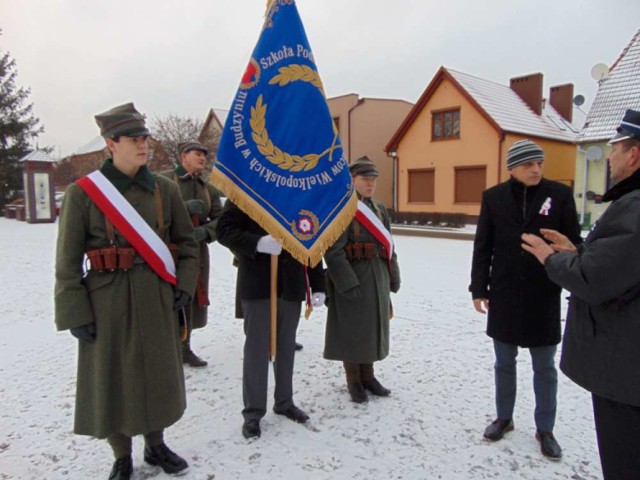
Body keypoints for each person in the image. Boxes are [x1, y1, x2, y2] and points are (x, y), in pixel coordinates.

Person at [54, 103, 199, 480]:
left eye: (144, 138)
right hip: (106, 299)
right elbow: (67, 262)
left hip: (155, 296)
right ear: (110, 143)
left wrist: (184, 286)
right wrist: (75, 312)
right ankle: (121, 456)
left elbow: (187, 244)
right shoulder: (84, 194)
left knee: (158, 374)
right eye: (133, 139)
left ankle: (156, 446)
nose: (142, 145)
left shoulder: (164, 190)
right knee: (113, 376)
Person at [522, 109, 640, 479]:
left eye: (615, 147)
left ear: (634, 153)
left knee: (625, 461)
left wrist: (550, 260)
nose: (609, 155)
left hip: (626, 372)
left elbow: (595, 279)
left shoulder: (635, 207)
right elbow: (621, 266)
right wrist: (578, 251)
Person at [469, 139, 582, 459]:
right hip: (503, 295)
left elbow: (572, 242)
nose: (536, 169)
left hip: (543, 294)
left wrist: (572, 276)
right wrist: (479, 289)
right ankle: (504, 418)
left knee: (544, 366)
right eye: (528, 164)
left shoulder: (558, 195)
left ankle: (545, 428)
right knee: (504, 362)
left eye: (539, 164)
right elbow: (483, 247)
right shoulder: (493, 198)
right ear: (512, 168)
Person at [216, 201, 326, 439]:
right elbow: (223, 230)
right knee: (257, 350)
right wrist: (257, 243)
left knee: (286, 346)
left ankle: (284, 401)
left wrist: (318, 284)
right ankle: (253, 412)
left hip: (291, 285)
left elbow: (312, 241)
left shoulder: (299, 196)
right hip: (258, 284)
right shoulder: (247, 193)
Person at [323, 156, 401, 404]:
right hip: (354, 277)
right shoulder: (341, 208)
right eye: (365, 179)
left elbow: (389, 246)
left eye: (373, 179)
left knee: (371, 328)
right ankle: (354, 380)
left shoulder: (378, 208)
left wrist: (393, 276)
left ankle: (369, 376)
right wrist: (348, 284)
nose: (371, 184)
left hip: (377, 276)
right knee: (353, 330)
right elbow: (332, 251)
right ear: (352, 180)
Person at [160, 141, 223, 367]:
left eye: (204, 155)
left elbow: (221, 220)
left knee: (190, 298)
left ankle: (185, 346)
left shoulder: (209, 189)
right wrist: (183, 208)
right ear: (183, 157)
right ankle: (166, 348)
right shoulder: (164, 181)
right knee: (166, 298)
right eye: (197, 154)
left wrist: (205, 231)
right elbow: (152, 213)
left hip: (196, 252)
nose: (202, 158)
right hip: (167, 251)